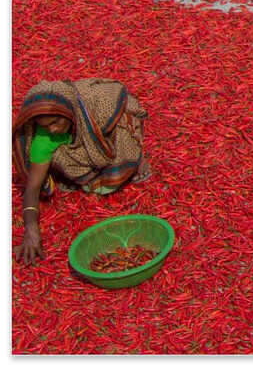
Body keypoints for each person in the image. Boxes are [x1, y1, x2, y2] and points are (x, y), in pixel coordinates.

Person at [12, 79, 151, 266]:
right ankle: (90, 169)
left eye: (55, 122)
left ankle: (136, 156)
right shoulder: (44, 139)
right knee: (64, 158)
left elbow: (122, 100)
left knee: (119, 128)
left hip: (104, 122)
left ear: (68, 112)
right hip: (86, 144)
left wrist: (138, 153)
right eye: (44, 126)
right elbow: (32, 188)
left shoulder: (96, 104)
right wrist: (31, 229)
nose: (52, 129)